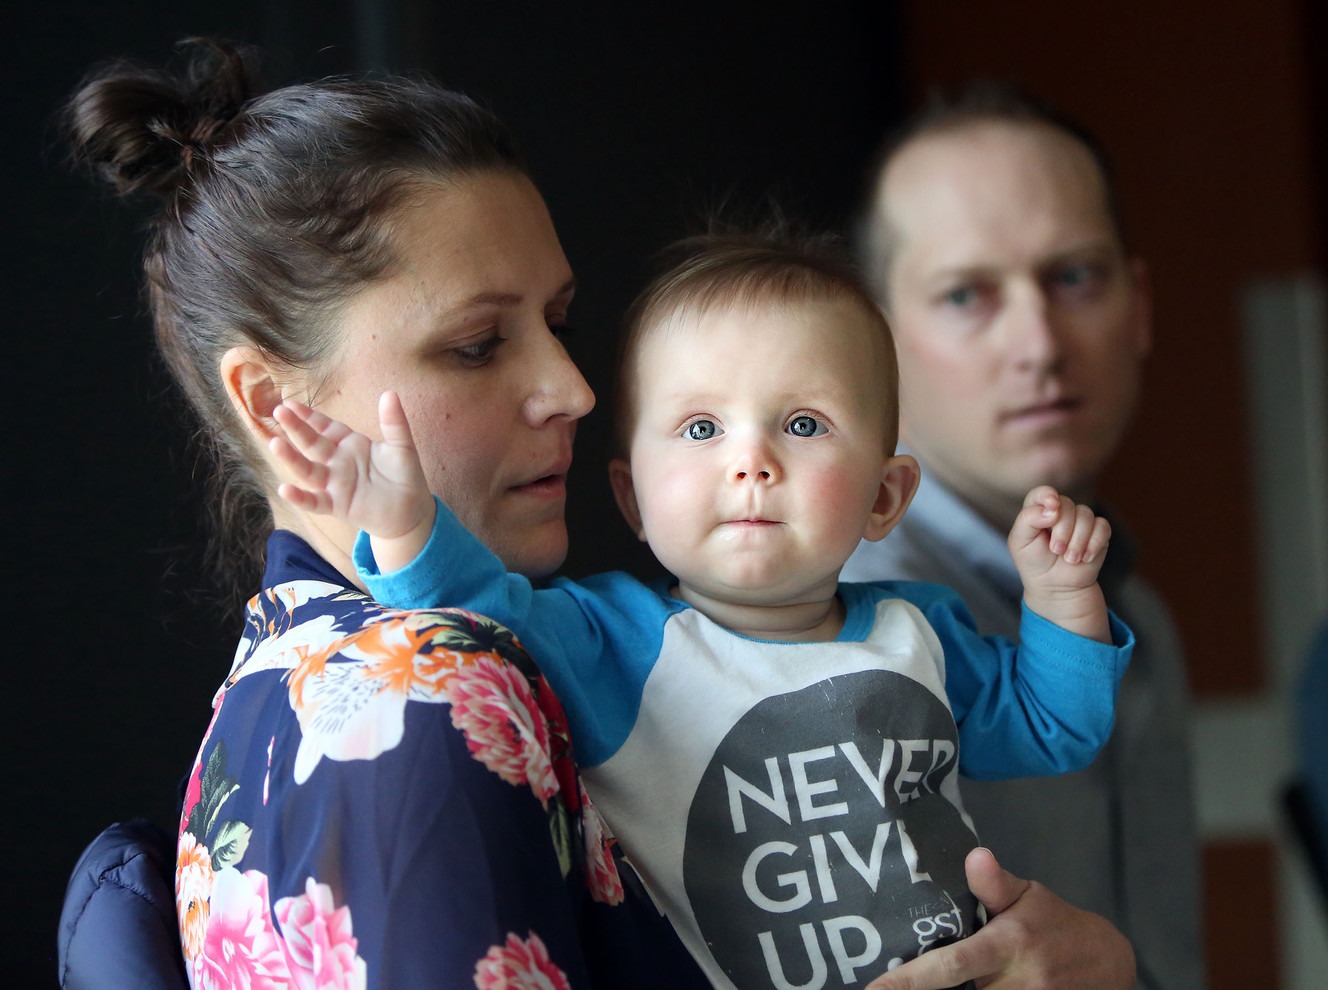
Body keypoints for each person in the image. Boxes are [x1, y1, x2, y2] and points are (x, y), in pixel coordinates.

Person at [61, 38, 1138, 990]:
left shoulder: (313, 697)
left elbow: (1048, 721)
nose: (574, 389)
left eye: (560, 323)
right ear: (272, 400)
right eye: (478, 344)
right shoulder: (424, 700)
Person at [269, 231, 1133, 988]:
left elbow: (1057, 724)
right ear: (634, 501)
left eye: (802, 425)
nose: (750, 461)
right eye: (699, 430)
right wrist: (404, 521)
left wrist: (1061, 599)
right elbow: (465, 614)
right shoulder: (609, 641)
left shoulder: (921, 631)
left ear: (884, 496)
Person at [841, 83, 1203, 990]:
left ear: (1141, 303)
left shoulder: (1140, 621)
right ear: (872, 343)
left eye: (1074, 276)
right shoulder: (841, 632)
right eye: (967, 294)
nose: (1039, 343)